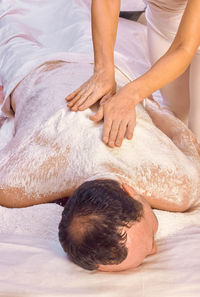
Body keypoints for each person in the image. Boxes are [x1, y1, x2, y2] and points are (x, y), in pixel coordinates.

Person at [0, 0, 199, 272]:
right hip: (79, 72)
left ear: (130, 191)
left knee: (21, 23)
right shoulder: (14, 188)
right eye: (152, 240)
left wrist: (135, 97)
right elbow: (181, 131)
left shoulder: (179, 188)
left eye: (149, 240)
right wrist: (104, 72)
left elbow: (184, 51)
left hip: (42, 72)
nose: (155, 249)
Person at [66, 0, 200, 147]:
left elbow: (183, 47)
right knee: (177, 117)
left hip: (184, 39)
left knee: (197, 135)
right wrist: (103, 71)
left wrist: (130, 94)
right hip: (162, 23)